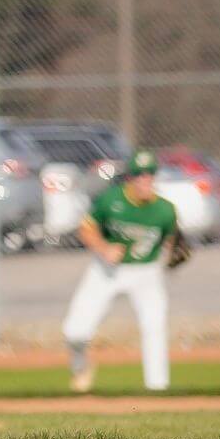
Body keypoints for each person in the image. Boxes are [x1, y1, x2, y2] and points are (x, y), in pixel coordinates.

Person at [62, 149, 181, 393]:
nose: (145, 179)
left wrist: (176, 257)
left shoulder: (165, 210)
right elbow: (85, 229)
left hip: (146, 272)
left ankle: (157, 388)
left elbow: (172, 244)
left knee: (154, 326)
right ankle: (80, 367)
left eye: (150, 174)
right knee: (75, 331)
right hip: (107, 270)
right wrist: (104, 248)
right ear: (130, 178)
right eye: (139, 175)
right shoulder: (111, 200)